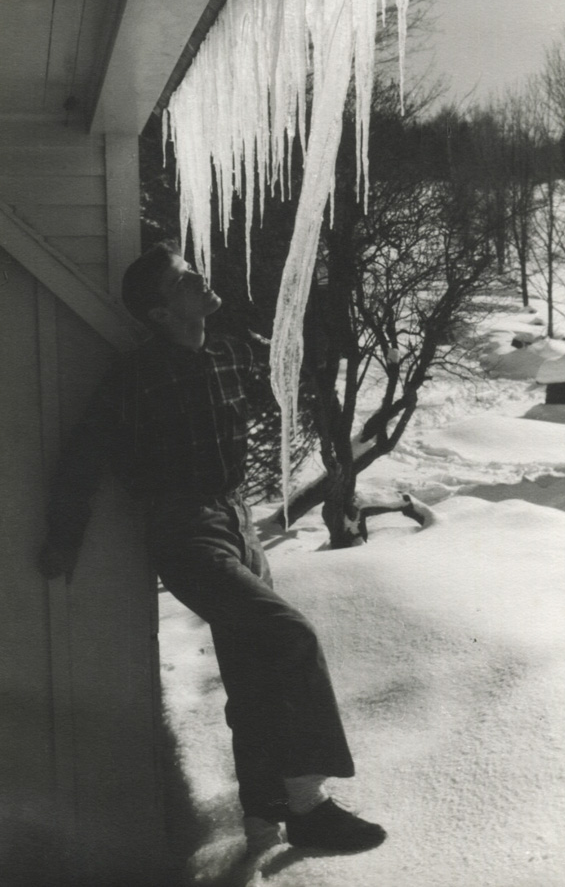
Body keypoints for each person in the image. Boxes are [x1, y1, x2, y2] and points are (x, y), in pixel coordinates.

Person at [39, 240, 386, 856]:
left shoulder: (227, 355)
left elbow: (291, 376)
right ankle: (309, 806)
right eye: (184, 279)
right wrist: (63, 542)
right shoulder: (133, 377)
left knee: (254, 675)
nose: (201, 279)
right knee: (290, 635)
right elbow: (82, 458)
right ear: (159, 311)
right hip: (186, 531)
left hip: (239, 522)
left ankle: (262, 819)